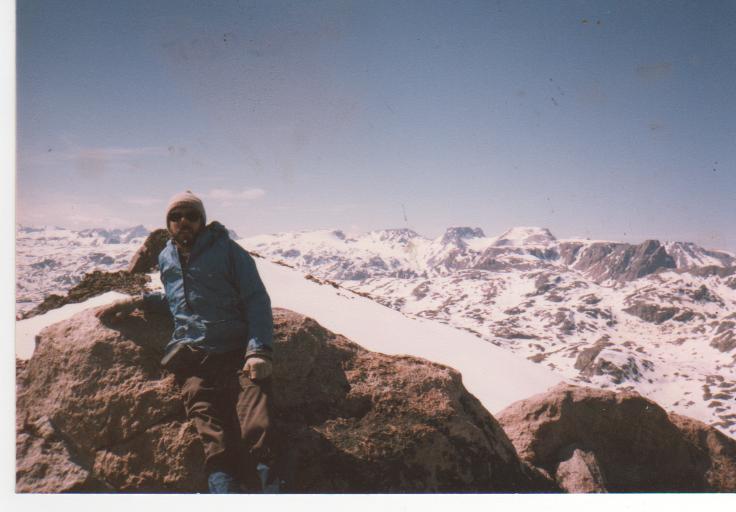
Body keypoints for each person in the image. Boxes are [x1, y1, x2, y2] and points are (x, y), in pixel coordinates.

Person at [98, 190, 277, 493]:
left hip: (237, 354)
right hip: (194, 360)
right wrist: (138, 303)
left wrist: (258, 351)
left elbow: (256, 300)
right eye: (175, 217)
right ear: (168, 223)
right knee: (214, 441)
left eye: (191, 216)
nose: (183, 222)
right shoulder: (166, 256)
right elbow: (175, 301)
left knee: (258, 430)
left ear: (202, 221)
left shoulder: (229, 251)